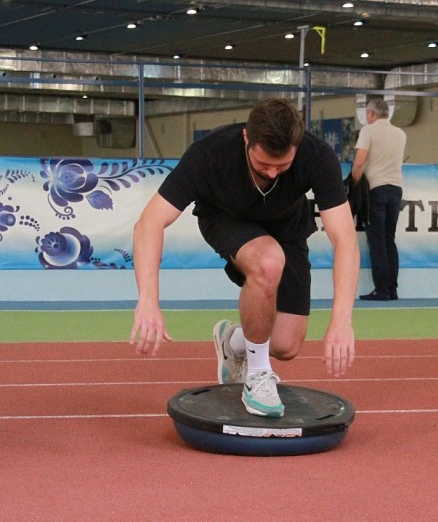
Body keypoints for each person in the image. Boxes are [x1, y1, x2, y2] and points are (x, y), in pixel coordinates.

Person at [129, 98, 360, 418]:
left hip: (288, 230)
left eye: (282, 165)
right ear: (246, 139)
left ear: (297, 146)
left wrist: (342, 319)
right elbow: (149, 223)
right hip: (225, 218)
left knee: (286, 346)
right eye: (263, 164)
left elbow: (344, 238)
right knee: (268, 261)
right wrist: (148, 300)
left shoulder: (317, 156)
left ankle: (233, 342)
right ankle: (257, 376)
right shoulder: (209, 154)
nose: (272, 172)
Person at [351, 98, 407, 301]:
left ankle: (381, 289)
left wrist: (353, 184)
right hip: (396, 189)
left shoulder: (368, 131)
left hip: (376, 189)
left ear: (371, 114)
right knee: (389, 239)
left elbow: (359, 162)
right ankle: (392, 288)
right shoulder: (400, 134)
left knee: (377, 241)